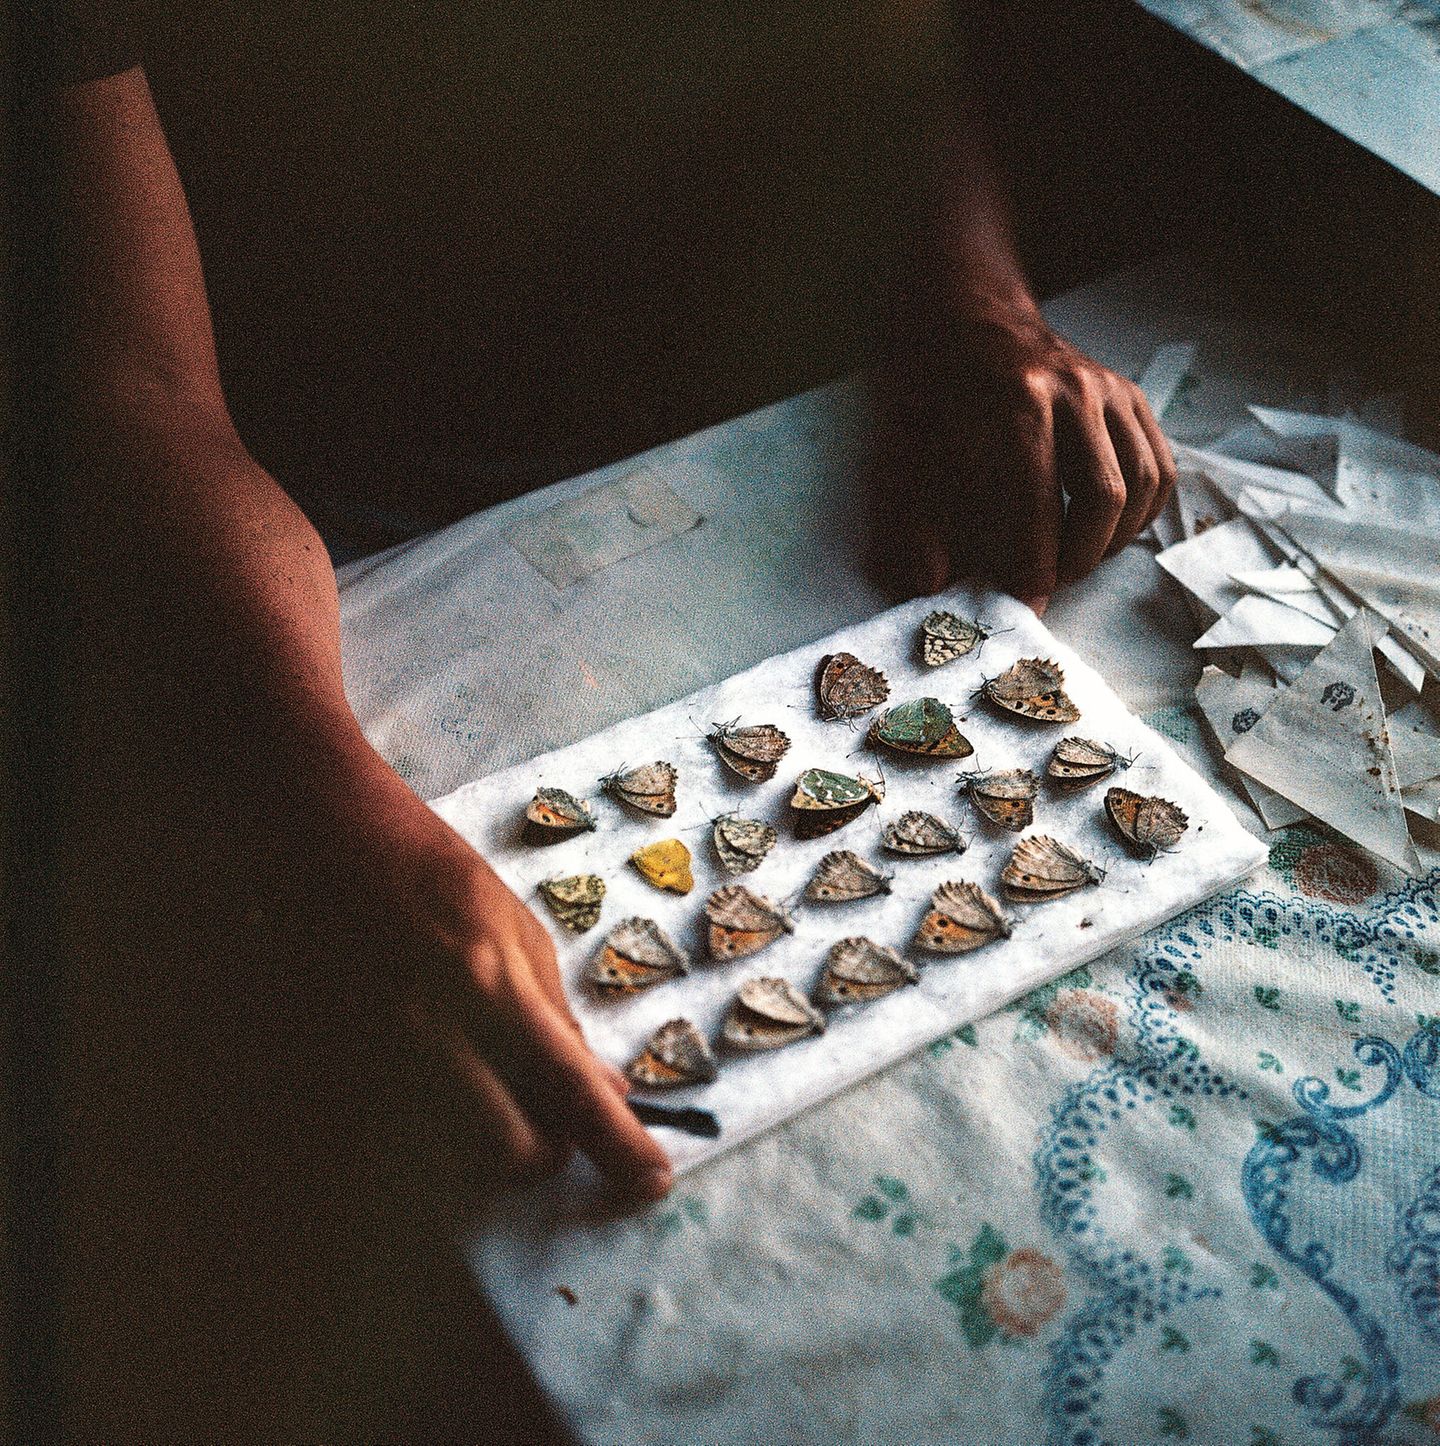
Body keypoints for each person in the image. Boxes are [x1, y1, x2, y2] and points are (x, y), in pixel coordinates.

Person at [20, 0, 1175, 1433]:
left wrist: (979, 303)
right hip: (313, 511)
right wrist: (324, 798)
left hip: (764, 425)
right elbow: (131, 381)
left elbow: (878, 46)